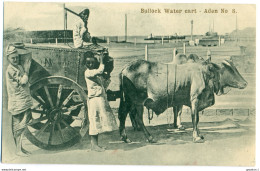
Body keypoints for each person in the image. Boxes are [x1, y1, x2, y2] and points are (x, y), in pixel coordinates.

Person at [83, 51, 118, 152]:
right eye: (88, 63)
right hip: (94, 100)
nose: (90, 64)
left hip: (99, 99)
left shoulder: (94, 72)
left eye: (92, 63)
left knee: (97, 121)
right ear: (85, 64)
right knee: (94, 121)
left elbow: (102, 82)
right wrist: (102, 60)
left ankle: (95, 145)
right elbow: (100, 71)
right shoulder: (88, 72)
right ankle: (94, 145)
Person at [5, 44, 33, 157]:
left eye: (17, 57)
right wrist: (26, 72)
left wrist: (24, 70)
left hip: (23, 100)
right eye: (13, 58)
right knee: (18, 126)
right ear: (8, 58)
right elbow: (22, 81)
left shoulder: (18, 67)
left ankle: (21, 148)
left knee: (24, 124)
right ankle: (18, 150)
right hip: (17, 101)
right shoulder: (10, 69)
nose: (15, 59)